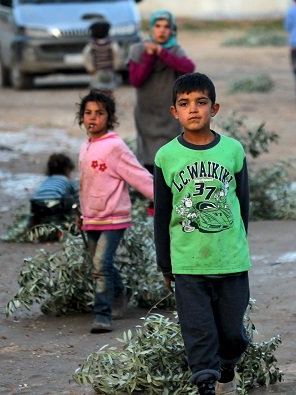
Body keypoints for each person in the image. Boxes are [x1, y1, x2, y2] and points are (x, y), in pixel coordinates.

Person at [154, 73, 251, 395]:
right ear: (174, 112)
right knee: (198, 332)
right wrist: (165, 263)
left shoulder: (233, 151)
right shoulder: (166, 157)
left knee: (232, 334)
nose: (193, 109)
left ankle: (227, 365)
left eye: (201, 102)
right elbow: (163, 214)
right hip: (189, 263)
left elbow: (244, 206)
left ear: (215, 108)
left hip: (231, 261)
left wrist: (239, 246)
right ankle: (205, 383)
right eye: (185, 104)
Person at [76, 90, 154, 333]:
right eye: (88, 113)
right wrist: (81, 212)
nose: (93, 118)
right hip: (91, 217)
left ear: (109, 118)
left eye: (99, 113)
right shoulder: (85, 147)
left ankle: (102, 314)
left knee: (100, 264)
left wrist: (164, 199)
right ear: (81, 117)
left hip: (114, 217)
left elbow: (137, 174)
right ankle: (120, 294)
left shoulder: (114, 146)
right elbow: (84, 184)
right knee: (100, 263)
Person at [127, 9, 195, 175]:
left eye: (166, 26)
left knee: (171, 159)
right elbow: (136, 79)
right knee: (149, 159)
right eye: (158, 26)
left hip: (170, 115)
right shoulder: (138, 50)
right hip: (146, 114)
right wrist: (150, 56)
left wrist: (161, 52)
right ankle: (153, 199)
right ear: (151, 28)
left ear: (172, 30)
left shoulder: (175, 50)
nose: (162, 30)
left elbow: (188, 68)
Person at [29, 153, 79, 227]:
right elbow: (78, 196)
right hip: (55, 204)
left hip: (35, 203)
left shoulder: (47, 180)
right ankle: (66, 224)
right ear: (66, 169)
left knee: (37, 214)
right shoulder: (68, 181)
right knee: (71, 201)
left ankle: (33, 226)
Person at [82, 20, 121, 92]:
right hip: (109, 69)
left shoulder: (92, 44)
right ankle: (109, 101)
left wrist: (90, 68)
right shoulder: (111, 42)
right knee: (109, 88)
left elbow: (86, 55)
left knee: (97, 89)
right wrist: (116, 66)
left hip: (97, 70)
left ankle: (101, 101)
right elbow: (117, 53)